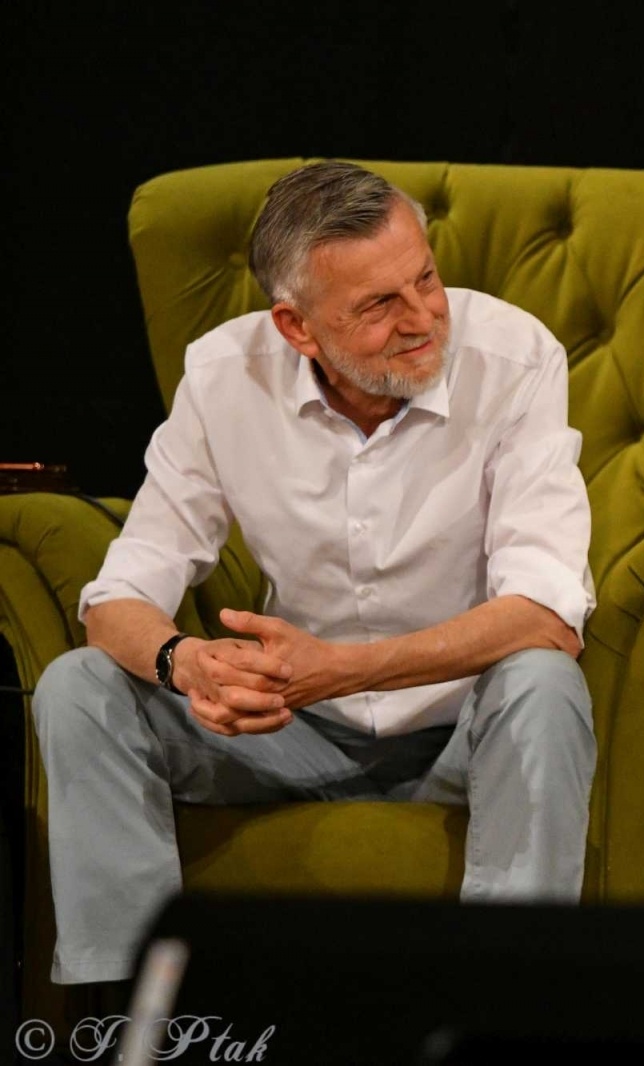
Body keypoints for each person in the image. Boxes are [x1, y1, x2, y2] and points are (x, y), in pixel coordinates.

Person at [33, 160, 597, 991]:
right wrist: (186, 663)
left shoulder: (514, 359)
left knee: (544, 684)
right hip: (282, 734)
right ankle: (133, 1013)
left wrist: (343, 669)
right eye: (378, 305)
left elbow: (547, 613)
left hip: (464, 733)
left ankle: (509, 1004)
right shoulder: (224, 375)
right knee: (80, 687)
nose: (422, 319)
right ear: (296, 327)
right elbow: (119, 597)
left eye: (426, 280)